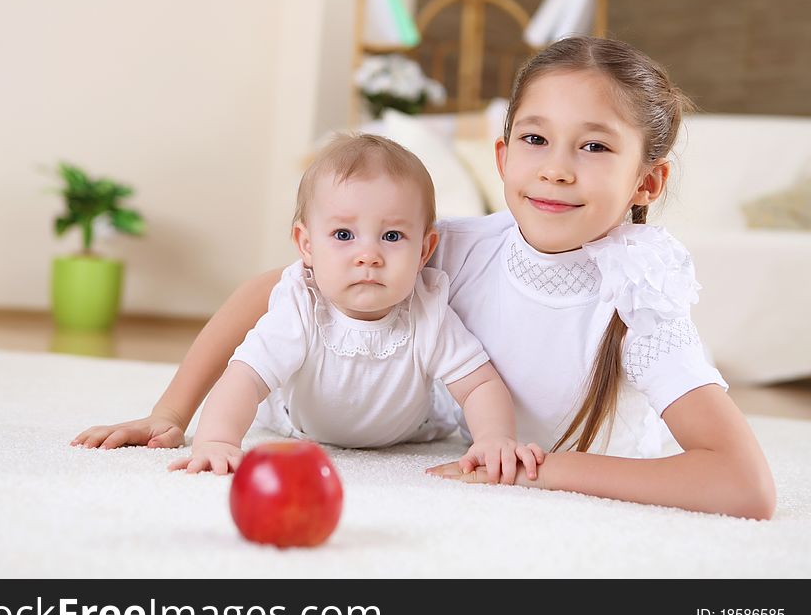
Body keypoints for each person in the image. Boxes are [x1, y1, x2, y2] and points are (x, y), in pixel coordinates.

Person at [74, 37, 775, 519]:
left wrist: (540, 469)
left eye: (594, 146)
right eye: (536, 139)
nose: (557, 167)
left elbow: (744, 484)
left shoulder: (640, 299)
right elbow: (270, 291)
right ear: (502, 156)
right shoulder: (464, 249)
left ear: (647, 180)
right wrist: (171, 414)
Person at [73, 134, 543, 483]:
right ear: (306, 245)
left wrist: (492, 438)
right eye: (343, 235)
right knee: (254, 398)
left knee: (452, 405)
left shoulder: (428, 306)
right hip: (299, 421)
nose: (368, 254)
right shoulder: (301, 304)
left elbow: (479, 383)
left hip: (407, 427)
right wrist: (217, 442)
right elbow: (243, 379)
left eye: (393, 236)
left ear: (424, 250)